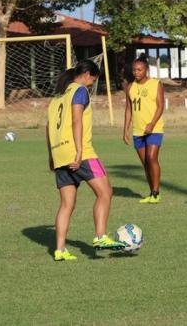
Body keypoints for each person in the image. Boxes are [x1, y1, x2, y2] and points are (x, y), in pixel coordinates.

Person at [46, 61, 125, 261]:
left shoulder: (56, 98)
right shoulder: (79, 91)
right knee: (106, 192)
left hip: (59, 154)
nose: (91, 84)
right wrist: (80, 151)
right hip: (80, 153)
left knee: (66, 204)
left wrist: (51, 156)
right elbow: (76, 120)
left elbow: (48, 128)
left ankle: (60, 250)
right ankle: (100, 236)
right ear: (87, 74)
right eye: (93, 80)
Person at [123, 55, 165, 204]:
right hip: (137, 131)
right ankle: (151, 192)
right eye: (134, 70)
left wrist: (152, 124)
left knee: (151, 158)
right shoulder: (129, 87)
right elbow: (128, 109)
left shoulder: (156, 84)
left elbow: (161, 106)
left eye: (139, 70)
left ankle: (156, 192)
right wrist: (125, 129)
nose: (136, 72)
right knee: (145, 163)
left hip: (154, 129)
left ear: (146, 70)